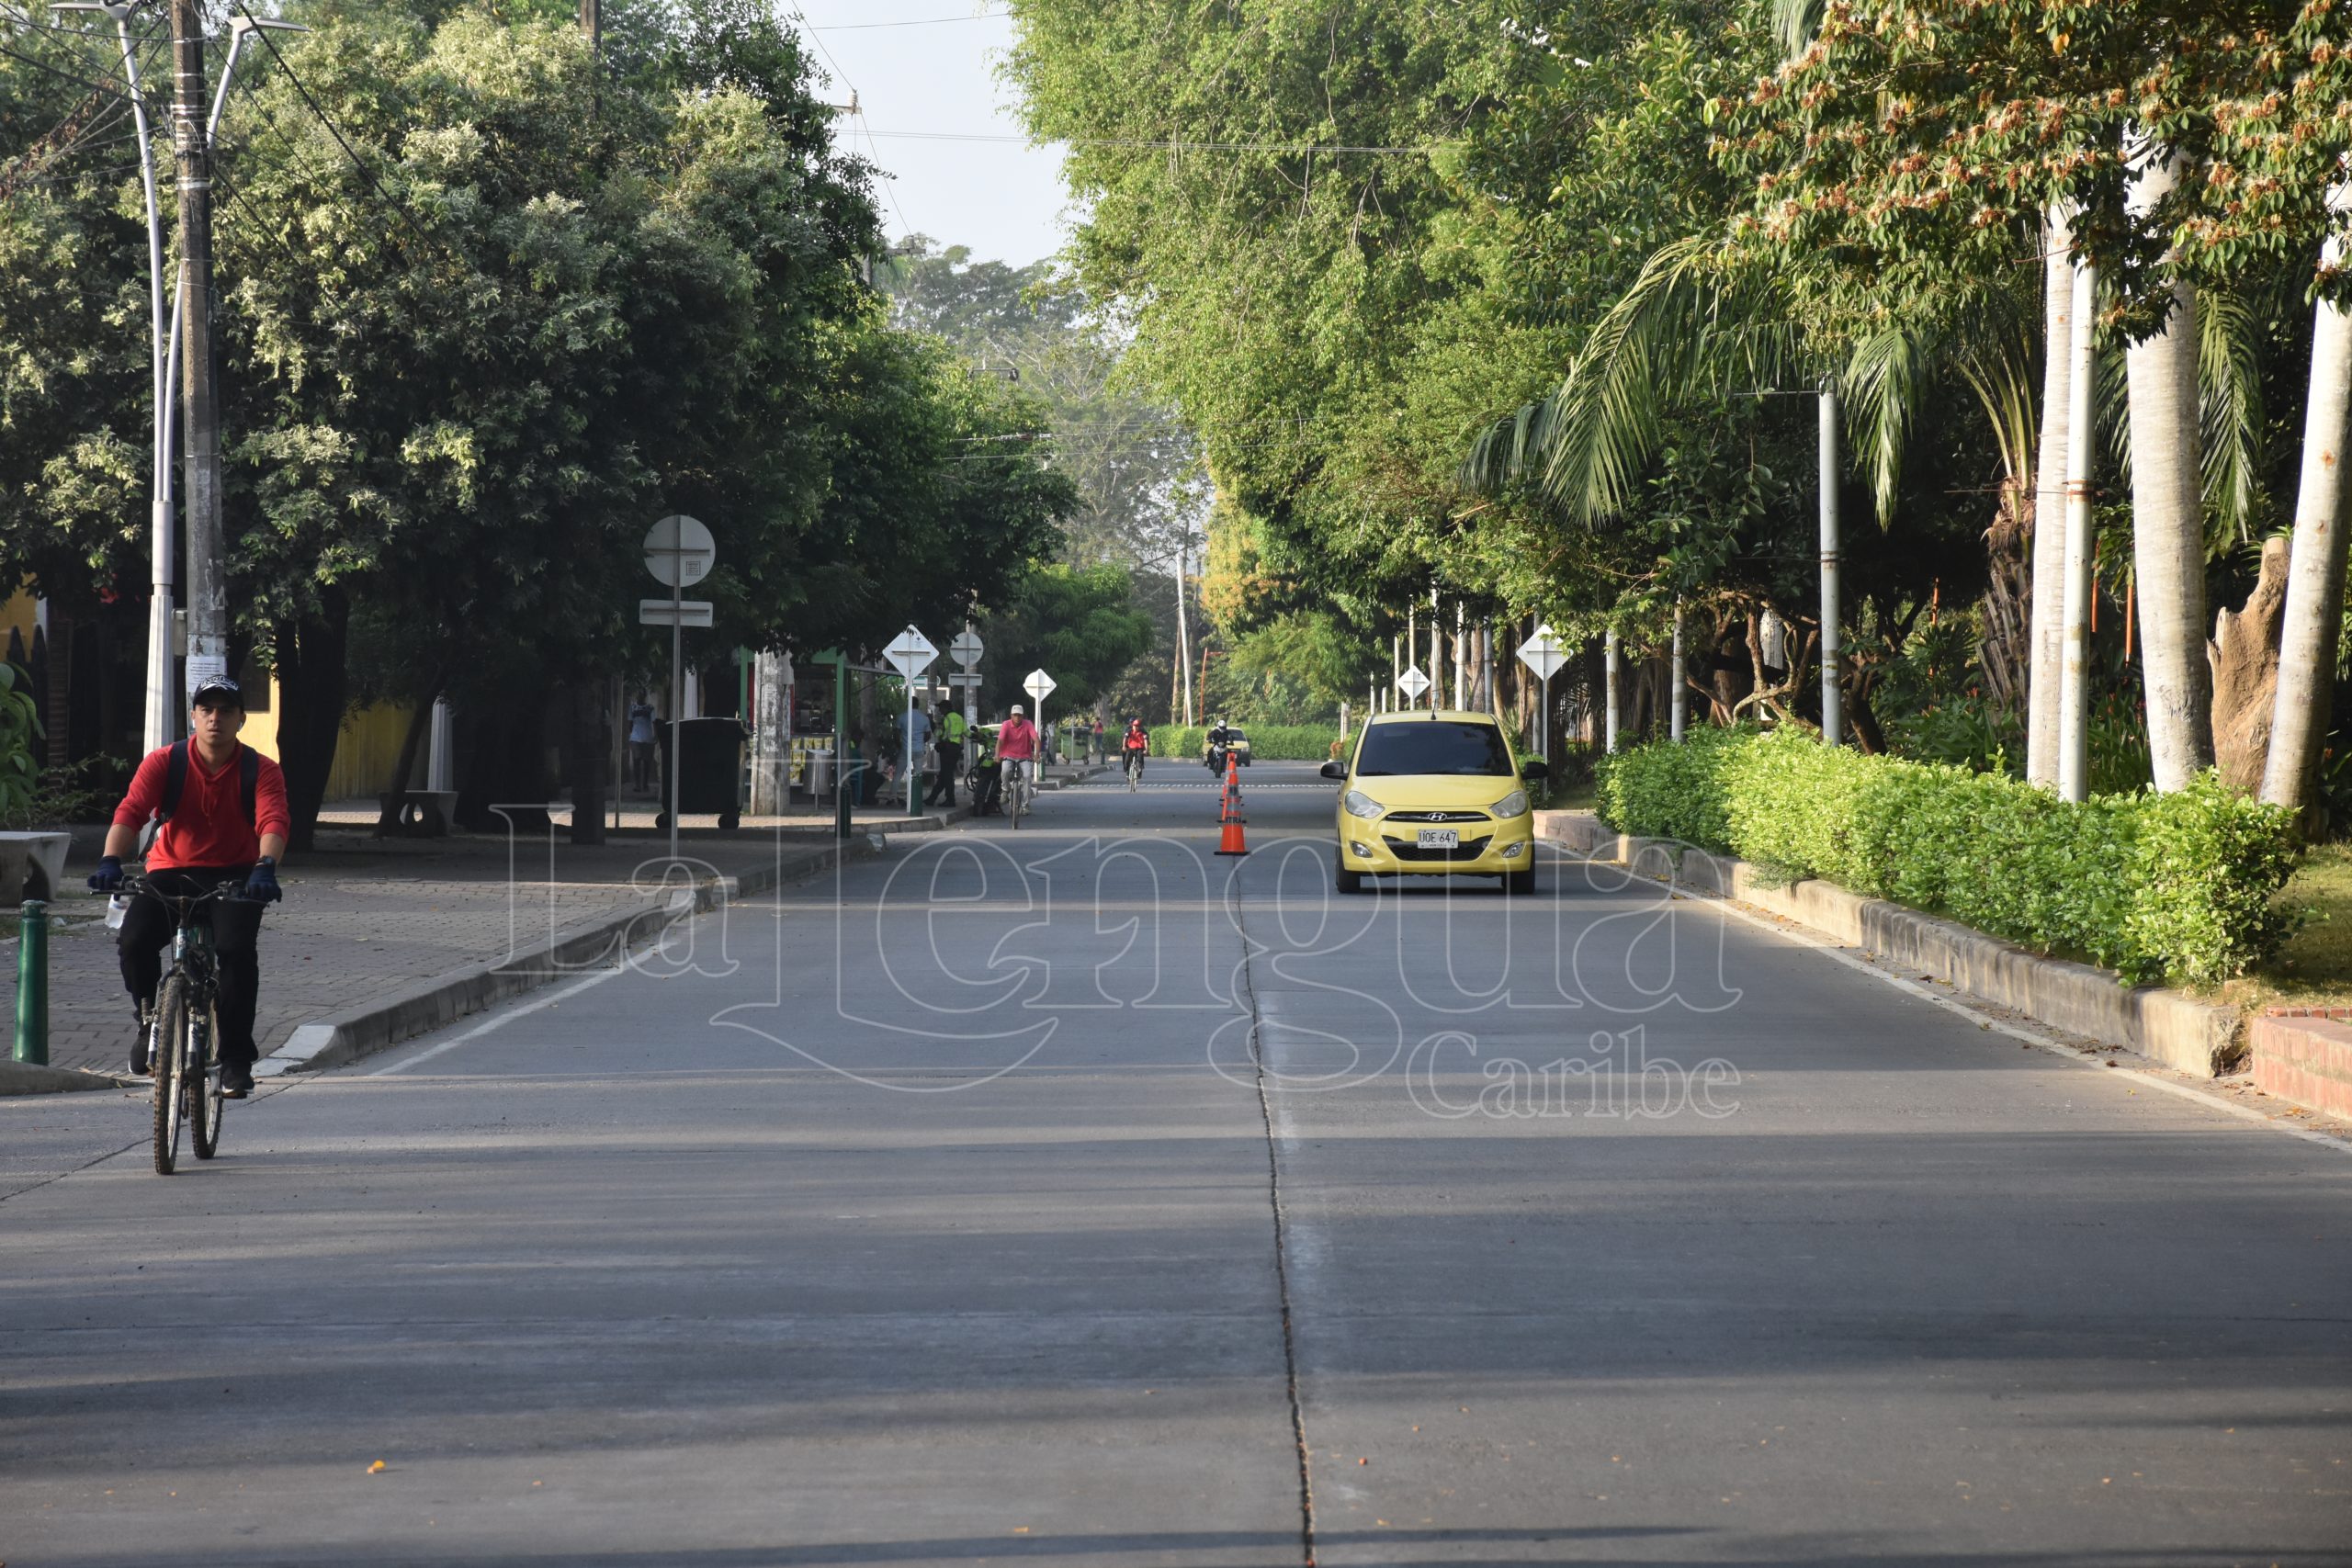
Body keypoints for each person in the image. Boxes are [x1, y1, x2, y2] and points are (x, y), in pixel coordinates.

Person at [87, 676, 290, 1098]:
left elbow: (273, 820)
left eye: (226, 711)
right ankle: (148, 1022)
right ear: (194, 717)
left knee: (235, 954)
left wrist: (265, 867)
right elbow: (132, 811)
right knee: (134, 940)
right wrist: (110, 859)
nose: (215, 718)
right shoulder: (165, 762)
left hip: (236, 876)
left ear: (240, 719)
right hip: (170, 871)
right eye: (207, 710)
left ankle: (235, 1060)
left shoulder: (260, 769)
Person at [996, 703, 1040, 810]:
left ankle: (1025, 805)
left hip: (1024, 756)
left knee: (1026, 777)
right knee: (1005, 770)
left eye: (1019, 715)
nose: (1017, 717)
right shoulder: (1006, 724)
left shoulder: (1028, 724)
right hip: (1008, 755)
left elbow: (1036, 740)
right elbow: (1000, 741)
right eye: (1015, 715)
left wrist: (1036, 754)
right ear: (1011, 716)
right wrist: (997, 755)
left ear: (1023, 716)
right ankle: (1005, 790)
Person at [928, 705, 966, 806]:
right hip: (956, 748)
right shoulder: (959, 717)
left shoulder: (946, 719)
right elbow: (966, 732)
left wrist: (931, 723)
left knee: (947, 776)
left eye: (941, 708)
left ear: (946, 708)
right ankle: (931, 799)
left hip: (947, 749)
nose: (940, 711)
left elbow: (938, 733)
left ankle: (950, 800)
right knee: (944, 775)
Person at [627, 697, 657, 794]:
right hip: (635, 738)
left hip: (648, 739)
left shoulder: (650, 708)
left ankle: (645, 784)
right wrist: (632, 733)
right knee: (637, 760)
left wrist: (655, 735)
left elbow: (654, 722)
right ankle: (638, 785)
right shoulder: (632, 708)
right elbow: (630, 723)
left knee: (647, 762)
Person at [1121, 717, 1149, 784]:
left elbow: (1145, 741)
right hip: (1131, 748)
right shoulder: (1129, 731)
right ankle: (1127, 772)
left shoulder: (1142, 732)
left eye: (1137, 726)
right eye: (1134, 726)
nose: (1136, 728)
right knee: (1127, 760)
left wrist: (1146, 749)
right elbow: (1125, 738)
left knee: (1139, 758)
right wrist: (1124, 746)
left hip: (1139, 748)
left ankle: (1139, 770)